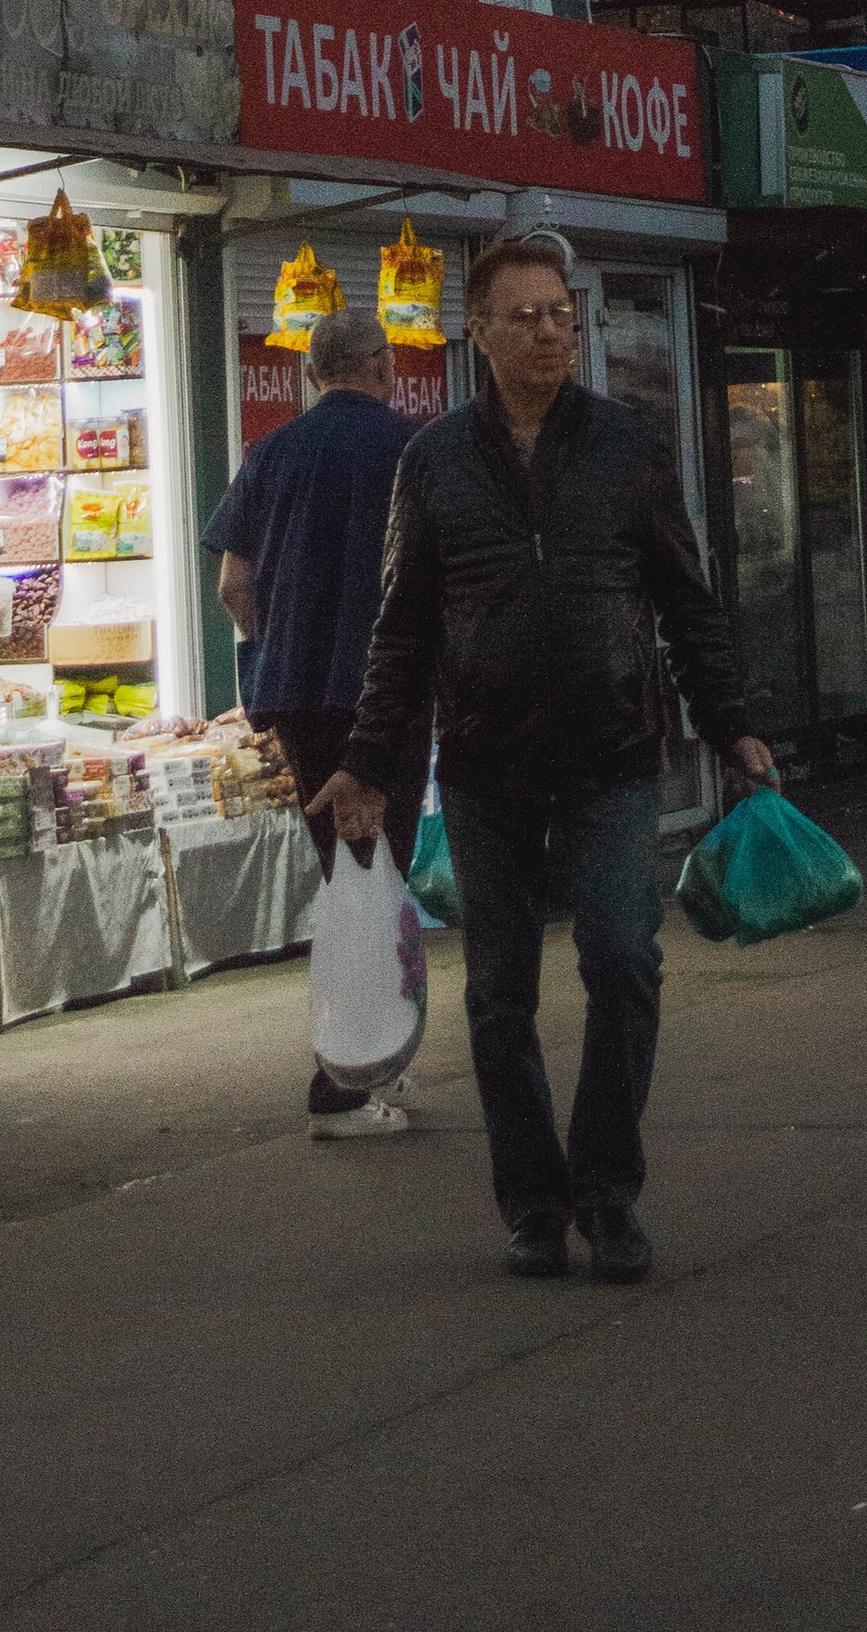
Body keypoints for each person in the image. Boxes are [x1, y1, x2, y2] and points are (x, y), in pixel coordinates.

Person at [320, 231, 772, 1286]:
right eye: (523, 315)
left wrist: (733, 718)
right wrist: (367, 758)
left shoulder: (626, 446)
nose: (548, 331)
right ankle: (532, 1201)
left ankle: (607, 1193)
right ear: (474, 331)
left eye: (561, 313)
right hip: (483, 767)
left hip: (612, 756)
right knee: (497, 994)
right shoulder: (429, 462)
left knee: (625, 961)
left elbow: (684, 598)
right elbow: (401, 628)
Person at [202, 302, 428, 1141]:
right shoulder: (411, 448)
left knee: (345, 868)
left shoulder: (270, 454)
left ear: (310, 374)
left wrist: (275, 651)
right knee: (384, 866)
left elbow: (233, 583)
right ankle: (361, 1058)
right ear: (383, 366)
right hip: (388, 693)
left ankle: (364, 1051)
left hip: (299, 692)